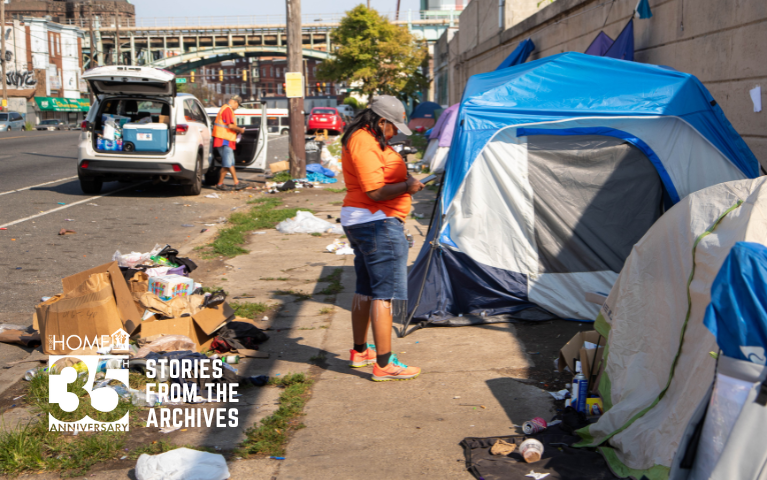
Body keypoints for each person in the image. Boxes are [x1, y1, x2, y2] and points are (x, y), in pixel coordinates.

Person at [341, 95, 425, 382]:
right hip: (376, 220)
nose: (396, 132)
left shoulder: (366, 138)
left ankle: (360, 351)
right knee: (383, 294)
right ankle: (385, 364)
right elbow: (374, 191)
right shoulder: (364, 140)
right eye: (394, 127)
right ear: (381, 121)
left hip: (366, 220)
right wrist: (408, 186)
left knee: (365, 288)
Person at [212, 95, 247, 191]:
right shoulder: (227, 109)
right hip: (224, 140)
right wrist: (240, 130)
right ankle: (220, 184)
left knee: (231, 163)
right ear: (235, 102)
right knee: (227, 164)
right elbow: (230, 126)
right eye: (238, 105)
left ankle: (236, 182)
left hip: (225, 139)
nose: (237, 108)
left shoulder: (225, 108)